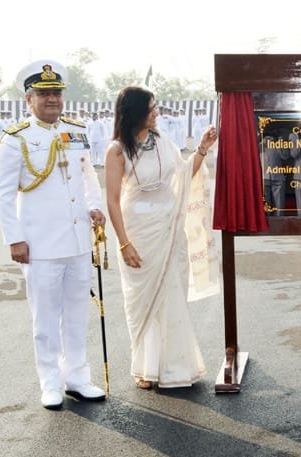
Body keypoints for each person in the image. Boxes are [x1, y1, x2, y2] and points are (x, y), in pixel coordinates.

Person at [0, 60, 107, 409]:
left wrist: (95, 206)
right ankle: (50, 382)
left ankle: (77, 377)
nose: (52, 99)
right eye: (44, 94)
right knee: (45, 318)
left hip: (76, 241)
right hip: (39, 244)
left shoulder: (76, 131)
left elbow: (88, 176)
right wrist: (14, 238)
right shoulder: (16, 139)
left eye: (56, 93)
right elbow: (2, 193)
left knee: (76, 313)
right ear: (29, 99)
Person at [104, 86, 219, 389]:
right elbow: (113, 200)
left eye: (156, 107)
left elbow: (182, 174)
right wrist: (124, 243)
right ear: (135, 112)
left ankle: (174, 368)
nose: (156, 112)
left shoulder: (163, 141)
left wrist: (203, 149)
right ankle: (145, 367)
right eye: (151, 107)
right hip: (139, 233)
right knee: (142, 302)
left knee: (172, 296)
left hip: (170, 229)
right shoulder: (117, 149)